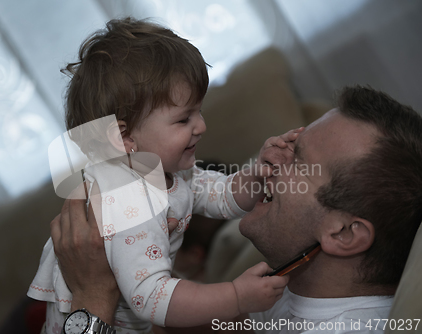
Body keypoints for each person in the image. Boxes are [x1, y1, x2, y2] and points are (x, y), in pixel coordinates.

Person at [51, 85, 422, 333]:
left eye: (299, 161)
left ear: (343, 233)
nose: (273, 154)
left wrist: (93, 297)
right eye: (291, 141)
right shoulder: (296, 293)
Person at [28, 17, 296, 334]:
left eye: (199, 111)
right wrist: (235, 296)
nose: (201, 126)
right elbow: (152, 297)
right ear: (124, 139)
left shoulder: (164, 172)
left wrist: (258, 174)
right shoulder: (126, 201)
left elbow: (223, 197)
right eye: (184, 119)